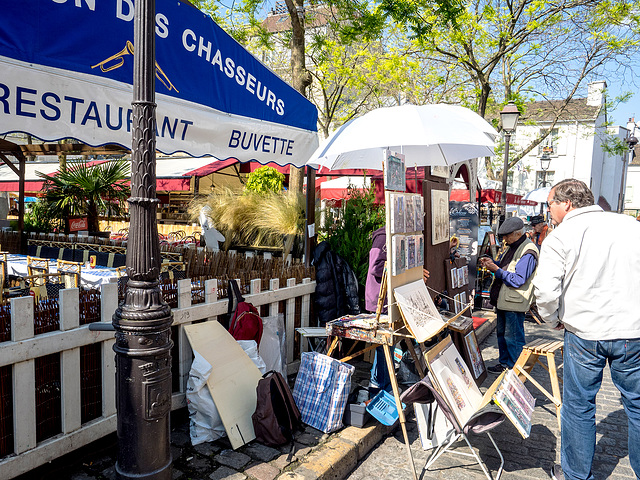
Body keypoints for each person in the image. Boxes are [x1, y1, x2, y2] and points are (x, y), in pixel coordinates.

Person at [533, 179, 640, 480]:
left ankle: (577, 475)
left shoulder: (561, 235)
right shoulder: (631, 226)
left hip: (584, 332)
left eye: (550, 203)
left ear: (565, 204)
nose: (549, 211)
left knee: (579, 406)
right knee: (638, 405)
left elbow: (545, 290)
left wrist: (550, 318)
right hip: (631, 330)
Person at [365, 226, 429, 394]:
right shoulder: (382, 237)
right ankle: (381, 385)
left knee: (388, 345)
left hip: (391, 299)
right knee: (384, 345)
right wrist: (406, 269)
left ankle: (379, 383)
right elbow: (376, 268)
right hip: (380, 299)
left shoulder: (401, 237)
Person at [478, 216, 538, 373]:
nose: (504, 239)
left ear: (517, 234)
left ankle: (514, 368)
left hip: (515, 302)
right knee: (503, 335)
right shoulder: (513, 246)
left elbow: (518, 280)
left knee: (513, 338)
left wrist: (496, 271)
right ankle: (505, 363)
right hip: (505, 300)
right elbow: (507, 267)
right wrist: (492, 264)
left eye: (507, 235)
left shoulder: (527, 251)